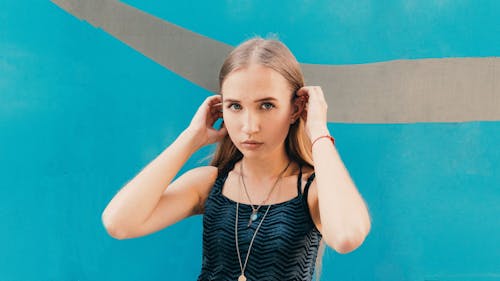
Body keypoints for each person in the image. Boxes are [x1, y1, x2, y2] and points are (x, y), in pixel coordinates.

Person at [101, 36, 371, 281]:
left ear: (296, 109)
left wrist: (319, 133)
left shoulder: (311, 190)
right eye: (235, 106)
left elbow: (347, 236)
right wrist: (189, 139)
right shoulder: (209, 184)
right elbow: (119, 223)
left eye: (267, 105)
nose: (249, 125)